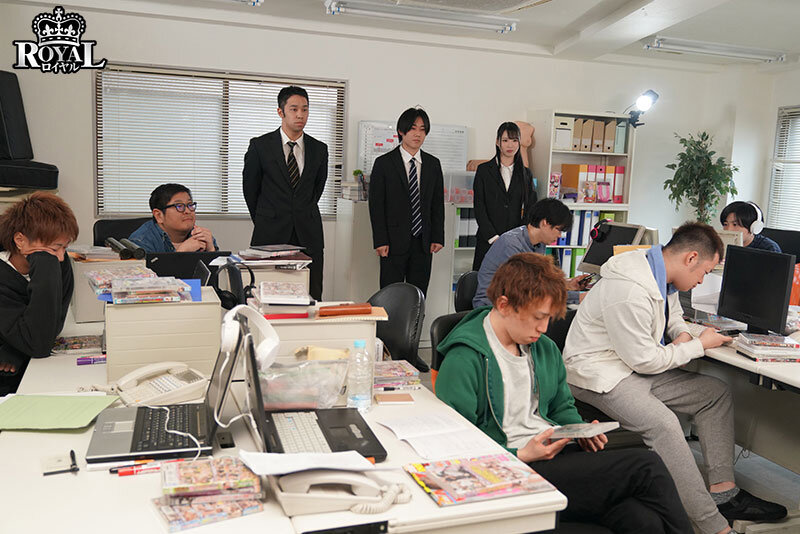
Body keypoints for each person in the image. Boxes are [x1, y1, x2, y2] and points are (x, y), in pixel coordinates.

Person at [436, 252, 693, 533]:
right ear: (504, 305)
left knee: (641, 520)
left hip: (554, 456)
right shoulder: (465, 358)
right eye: (538, 317)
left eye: (549, 318)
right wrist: (520, 453)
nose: (543, 328)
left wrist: (579, 430)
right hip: (510, 467)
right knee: (645, 466)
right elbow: (456, 445)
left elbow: (561, 406)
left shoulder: (543, 348)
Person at [562, 222, 787, 534]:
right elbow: (645, 361)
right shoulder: (630, 289)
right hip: (600, 374)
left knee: (714, 393)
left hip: (630, 366)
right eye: (704, 272)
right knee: (664, 425)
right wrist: (697, 346)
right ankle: (714, 527)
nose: (701, 280)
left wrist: (683, 334)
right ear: (691, 258)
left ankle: (724, 493)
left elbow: (673, 317)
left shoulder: (660, 273)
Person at [242, 85, 328, 301]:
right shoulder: (260, 146)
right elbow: (250, 190)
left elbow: (317, 189)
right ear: (280, 112)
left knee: (311, 293)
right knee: (268, 293)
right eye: (294, 109)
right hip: (270, 232)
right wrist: (266, 217)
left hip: (308, 232)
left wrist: (300, 211)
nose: (300, 115)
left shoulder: (319, 149)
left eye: (305, 109)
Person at [0, 192, 79, 395]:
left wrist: (15, 347)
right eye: (55, 248)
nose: (61, 257)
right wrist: (44, 262)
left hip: (30, 365)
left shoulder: (57, 263)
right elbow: (38, 344)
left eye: (65, 247)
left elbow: (52, 326)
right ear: (20, 240)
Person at [368, 107, 445, 296]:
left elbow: (437, 203)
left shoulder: (433, 164)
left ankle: (416, 319)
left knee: (418, 295)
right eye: (412, 128)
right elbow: (376, 206)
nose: (417, 134)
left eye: (422, 129)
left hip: (423, 242)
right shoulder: (384, 163)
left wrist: (437, 236)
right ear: (401, 131)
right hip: (393, 243)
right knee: (390, 295)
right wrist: (380, 240)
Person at [473, 198, 588, 308]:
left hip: (517, 301)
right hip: (492, 306)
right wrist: (578, 297)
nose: (559, 236)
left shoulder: (538, 244)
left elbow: (539, 283)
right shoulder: (511, 244)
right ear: (544, 223)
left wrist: (567, 285)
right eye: (558, 229)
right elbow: (530, 290)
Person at [472, 122, 536, 271]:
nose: (510, 145)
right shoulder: (484, 171)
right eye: (505, 140)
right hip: (488, 240)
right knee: (484, 280)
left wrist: (519, 237)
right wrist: (493, 237)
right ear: (497, 142)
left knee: (511, 281)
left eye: (514, 140)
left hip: (515, 243)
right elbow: (479, 206)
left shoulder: (526, 174)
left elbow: (531, 208)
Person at [129, 183, 218, 253]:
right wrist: (181, 252)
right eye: (179, 206)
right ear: (159, 215)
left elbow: (215, 270)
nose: (187, 211)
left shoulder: (200, 235)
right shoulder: (140, 242)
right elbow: (147, 272)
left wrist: (211, 250)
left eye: (190, 205)